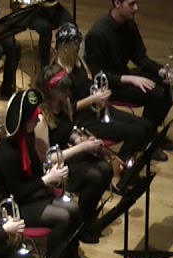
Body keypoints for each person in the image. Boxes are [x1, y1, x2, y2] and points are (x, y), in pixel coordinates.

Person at [0, 89, 95, 258]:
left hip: (31, 196)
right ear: (23, 121)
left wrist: (53, 175)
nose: (38, 119)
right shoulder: (6, 151)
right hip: (14, 206)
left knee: (73, 208)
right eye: (34, 117)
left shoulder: (27, 137)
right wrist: (47, 179)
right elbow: (17, 192)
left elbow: (36, 172)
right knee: (62, 217)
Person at [83, 0, 173, 149]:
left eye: (136, 3)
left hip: (125, 76)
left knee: (172, 84)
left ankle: (151, 133)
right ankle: (146, 140)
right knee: (157, 94)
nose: (136, 8)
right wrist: (131, 79)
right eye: (131, 4)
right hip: (110, 86)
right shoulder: (97, 34)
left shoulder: (129, 25)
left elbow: (141, 58)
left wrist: (162, 71)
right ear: (117, 3)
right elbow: (99, 76)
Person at [53, 22, 155, 163]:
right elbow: (64, 110)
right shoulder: (57, 75)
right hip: (82, 120)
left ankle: (130, 158)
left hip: (96, 110)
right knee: (137, 132)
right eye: (76, 45)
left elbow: (86, 83)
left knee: (146, 125)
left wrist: (99, 92)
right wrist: (92, 99)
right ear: (65, 47)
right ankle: (121, 165)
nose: (79, 47)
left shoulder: (76, 61)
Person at [37, 64, 115, 243]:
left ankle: (87, 219)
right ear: (52, 92)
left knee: (106, 168)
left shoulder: (63, 105)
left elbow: (67, 131)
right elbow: (47, 159)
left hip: (67, 155)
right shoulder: (41, 118)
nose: (67, 94)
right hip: (54, 169)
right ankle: (81, 226)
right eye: (63, 91)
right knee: (94, 176)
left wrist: (82, 140)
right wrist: (81, 148)